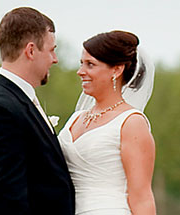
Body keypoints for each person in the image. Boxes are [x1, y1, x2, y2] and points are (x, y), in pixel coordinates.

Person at [0, 7, 75, 215]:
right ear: (31, 50)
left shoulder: (15, 101)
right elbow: (7, 204)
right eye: (52, 49)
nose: (55, 59)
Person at [58, 30, 156, 215]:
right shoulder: (76, 118)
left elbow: (141, 197)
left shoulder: (131, 122)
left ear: (116, 70)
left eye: (90, 64)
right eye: (81, 63)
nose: (81, 72)